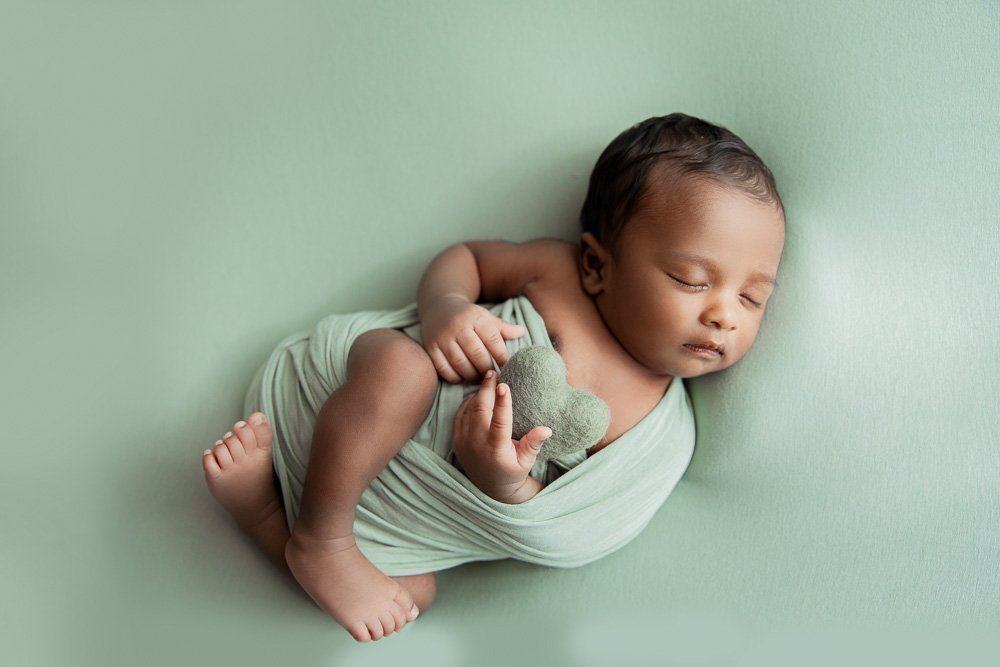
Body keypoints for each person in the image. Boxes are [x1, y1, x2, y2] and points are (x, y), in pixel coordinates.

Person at [201, 112, 786, 642]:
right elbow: (469, 259)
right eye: (691, 279)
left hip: (413, 513)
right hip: (354, 405)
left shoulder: (661, 433)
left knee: (413, 597)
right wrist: (446, 309)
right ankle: (322, 538)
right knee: (402, 368)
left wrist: (501, 482)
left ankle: (265, 518)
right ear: (596, 264)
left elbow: (567, 526)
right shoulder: (557, 274)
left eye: (753, 297)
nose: (724, 314)